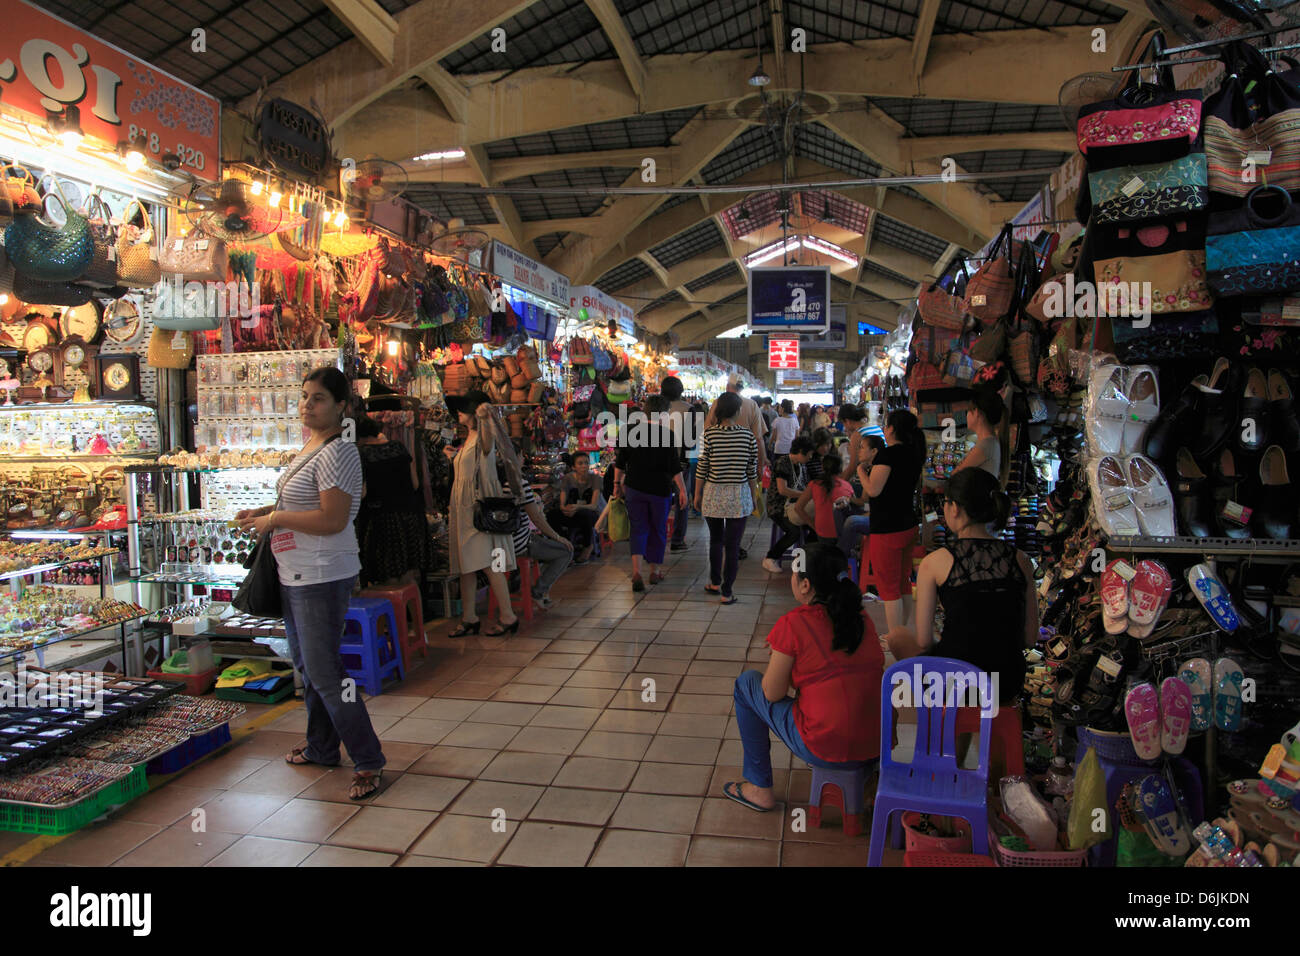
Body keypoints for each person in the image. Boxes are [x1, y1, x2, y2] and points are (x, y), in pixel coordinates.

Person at [236, 367, 386, 801]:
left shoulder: (339, 451)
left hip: (322, 574)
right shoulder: (313, 444)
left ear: (342, 407)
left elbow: (334, 518)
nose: (307, 405)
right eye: (304, 396)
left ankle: (369, 758)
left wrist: (275, 519)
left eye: (318, 398)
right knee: (310, 668)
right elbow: (300, 501)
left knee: (325, 672)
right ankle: (322, 747)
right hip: (294, 571)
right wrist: (264, 512)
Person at [723, 543, 884, 812]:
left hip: (828, 745)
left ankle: (758, 787)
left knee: (746, 684)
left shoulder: (794, 624)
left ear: (806, 584)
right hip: (876, 745)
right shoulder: (862, 618)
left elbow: (771, 694)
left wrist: (779, 654)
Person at [886, 467, 1038, 707]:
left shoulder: (933, 563)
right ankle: (979, 730)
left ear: (954, 507)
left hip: (954, 679)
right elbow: (1030, 638)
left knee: (897, 636)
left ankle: (947, 726)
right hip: (1007, 682)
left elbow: (924, 641)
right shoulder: (1022, 560)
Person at [445, 390, 525, 638]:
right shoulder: (468, 438)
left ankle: (508, 616)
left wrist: (485, 417)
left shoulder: (483, 435)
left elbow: (489, 446)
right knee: (466, 565)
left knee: (489, 563)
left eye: (462, 409)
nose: (457, 413)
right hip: (463, 506)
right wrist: (454, 457)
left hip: (476, 507)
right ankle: (469, 617)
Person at [861, 409, 927, 632]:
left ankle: (895, 638)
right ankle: (903, 631)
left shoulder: (887, 455)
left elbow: (873, 489)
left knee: (888, 588)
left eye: (886, 426)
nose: (884, 430)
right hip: (908, 525)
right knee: (903, 582)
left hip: (887, 528)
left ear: (892, 429)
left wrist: (862, 471)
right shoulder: (914, 454)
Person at [613, 395, 687, 592]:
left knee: (638, 529)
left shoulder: (629, 430)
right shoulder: (668, 435)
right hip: (659, 490)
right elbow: (674, 468)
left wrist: (616, 484)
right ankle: (654, 571)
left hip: (634, 488)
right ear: (663, 414)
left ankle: (637, 572)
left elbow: (620, 462)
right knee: (658, 529)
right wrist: (683, 490)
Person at [695, 390, 760, 605]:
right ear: (738, 410)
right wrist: (753, 495)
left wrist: (697, 493)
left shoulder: (708, 435)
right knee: (733, 545)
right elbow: (751, 471)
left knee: (716, 539)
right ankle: (727, 591)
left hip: (713, 493)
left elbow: (702, 468)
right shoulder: (748, 435)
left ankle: (714, 581)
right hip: (738, 495)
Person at [354, 412, 430, 588]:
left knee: (387, 575)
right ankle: (412, 615)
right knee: (409, 574)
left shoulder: (362, 454)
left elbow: (362, 493)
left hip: (381, 520)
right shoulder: (399, 447)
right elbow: (415, 483)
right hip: (410, 516)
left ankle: (391, 615)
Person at [511, 469, 574, 610]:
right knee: (565, 551)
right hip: (520, 544)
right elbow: (537, 518)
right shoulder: (518, 484)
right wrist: (558, 537)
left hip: (495, 547)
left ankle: (520, 587)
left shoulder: (489, 483)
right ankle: (538, 592)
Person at [661, 375, 701, 553]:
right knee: (681, 500)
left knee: (660, 500)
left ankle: (658, 537)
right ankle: (677, 540)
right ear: (681, 391)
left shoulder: (656, 408)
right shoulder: (689, 409)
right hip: (680, 461)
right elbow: (691, 438)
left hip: (658, 461)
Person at [763, 436, 813, 573]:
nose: (810, 457)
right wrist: (805, 495)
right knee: (794, 532)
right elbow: (783, 490)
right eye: (809, 454)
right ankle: (770, 558)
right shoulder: (783, 462)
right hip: (778, 507)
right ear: (801, 452)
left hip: (796, 506)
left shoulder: (802, 465)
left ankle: (806, 560)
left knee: (816, 526)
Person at [547, 451, 604, 563]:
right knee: (551, 515)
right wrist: (565, 509)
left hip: (591, 512)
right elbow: (562, 503)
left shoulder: (595, 479)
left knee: (585, 516)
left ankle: (588, 546)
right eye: (580, 463)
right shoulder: (567, 478)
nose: (584, 466)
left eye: (586, 463)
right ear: (573, 466)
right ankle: (565, 543)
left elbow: (593, 505)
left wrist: (576, 507)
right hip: (572, 511)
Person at [793, 452, 854, 544]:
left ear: (823, 467)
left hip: (823, 532)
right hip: (844, 532)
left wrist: (813, 525)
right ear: (840, 469)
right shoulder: (847, 486)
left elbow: (798, 507)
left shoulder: (814, 484)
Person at [958, 387, 1004, 480]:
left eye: (968, 411)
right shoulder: (989, 442)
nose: (967, 416)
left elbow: (956, 476)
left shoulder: (986, 444)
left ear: (976, 412)